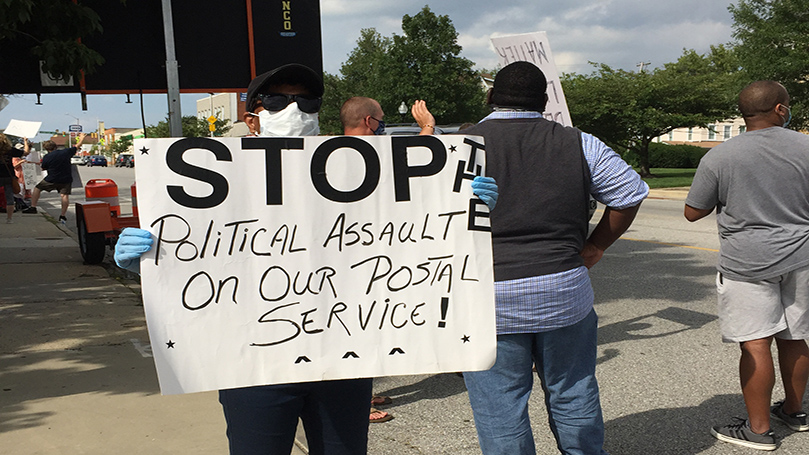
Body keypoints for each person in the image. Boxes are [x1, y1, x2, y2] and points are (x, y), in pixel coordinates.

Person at [114, 63, 498, 455]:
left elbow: (405, 231)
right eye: (279, 100)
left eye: (306, 100)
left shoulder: (356, 172)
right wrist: (149, 260)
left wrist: (462, 208)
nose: (295, 109)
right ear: (252, 119)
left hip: (343, 358)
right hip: (251, 366)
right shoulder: (219, 177)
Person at [423, 61, 648, 455]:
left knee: (500, 407)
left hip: (486, 297)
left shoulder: (456, 148)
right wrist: (595, 246)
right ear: (545, 102)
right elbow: (629, 192)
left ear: (491, 97)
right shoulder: (579, 142)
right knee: (573, 390)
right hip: (563, 291)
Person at [685, 80, 809, 451]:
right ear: (780, 110)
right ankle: (794, 410)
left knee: (756, 344)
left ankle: (758, 431)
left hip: (747, 262)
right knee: (796, 336)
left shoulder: (721, 156)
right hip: (803, 256)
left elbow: (693, 212)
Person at [23, 132, 86, 224]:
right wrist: (81, 138)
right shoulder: (66, 152)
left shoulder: (47, 157)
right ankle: (63, 215)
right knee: (64, 196)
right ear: (55, 146)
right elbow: (77, 146)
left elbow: (43, 168)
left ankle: (33, 207)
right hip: (66, 179)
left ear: (46, 148)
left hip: (51, 179)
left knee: (37, 188)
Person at [0, 133, 24, 223]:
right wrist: (25, 142)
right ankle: (9, 219)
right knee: (9, 198)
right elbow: (25, 152)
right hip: (8, 176)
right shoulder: (9, 150)